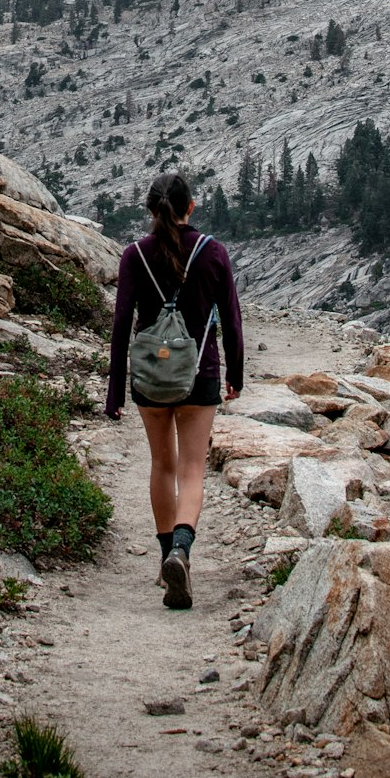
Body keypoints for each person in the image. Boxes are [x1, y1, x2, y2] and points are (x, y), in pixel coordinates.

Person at [105, 171, 244, 610]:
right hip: (199, 375)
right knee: (192, 472)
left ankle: (168, 559)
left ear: (149, 211)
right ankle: (183, 550)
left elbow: (121, 325)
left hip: (150, 379)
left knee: (162, 465)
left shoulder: (134, 256)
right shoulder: (213, 252)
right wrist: (235, 375)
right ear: (191, 207)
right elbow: (232, 321)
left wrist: (115, 393)